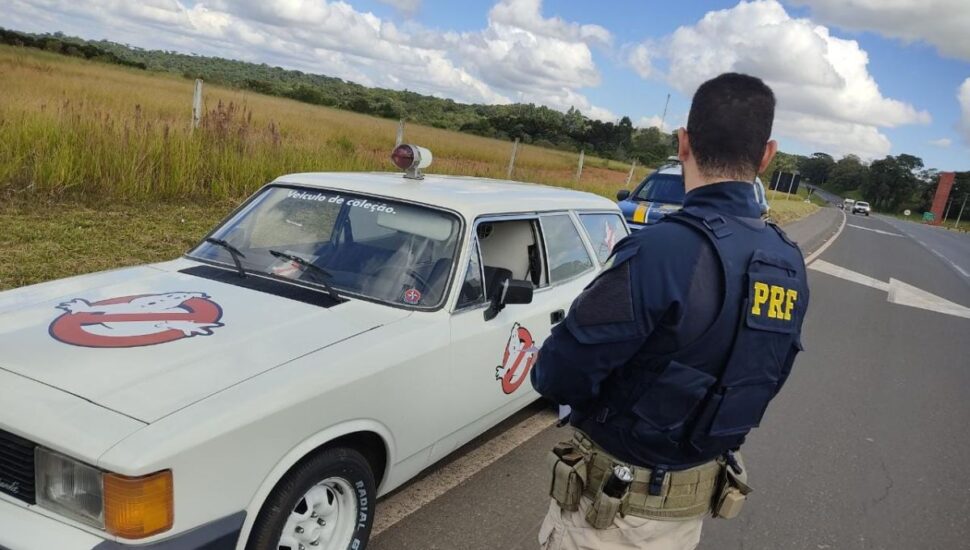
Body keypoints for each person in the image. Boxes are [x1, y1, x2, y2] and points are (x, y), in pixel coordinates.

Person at [531, 72, 809, 550]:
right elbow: (767, 375)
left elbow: (558, 374)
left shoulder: (662, 252)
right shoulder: (787, 262)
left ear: (684, 143)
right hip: (685, 511)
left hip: (610, 516)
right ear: (767, 155)